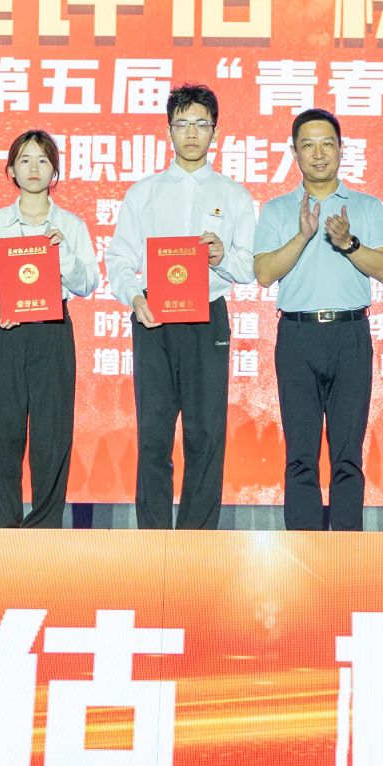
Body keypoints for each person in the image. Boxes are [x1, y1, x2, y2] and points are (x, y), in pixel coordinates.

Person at [103, 84, 258, 529]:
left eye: (201, 124)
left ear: (216, 131)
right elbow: (119, 259)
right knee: (153, 433)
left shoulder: (233, 195)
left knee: (205, 433)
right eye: (182, 124)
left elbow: (249, 267)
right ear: (168, 130)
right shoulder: (144, 193)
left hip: (208, 317)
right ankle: (154, 536)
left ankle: (198, 537)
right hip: (154, 318)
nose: (191, 133)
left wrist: (221, 256)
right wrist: (135, 297)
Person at [252, 108, 383, 530]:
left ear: (341, 149)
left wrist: (348, 243)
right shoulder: (277, 209)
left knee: (348, 454)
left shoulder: (366, 206)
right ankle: (304, 546)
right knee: (301, 454)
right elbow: (264, 273)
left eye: (327, 144)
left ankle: (346, 548)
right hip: (297, 336)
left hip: (351, 335)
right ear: (294, 152)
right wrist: (304, 235)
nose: (318, 154)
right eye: (308, 145)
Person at [0, 130, 99, 529]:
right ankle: (1, 525)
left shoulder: (71, 225)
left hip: (51, 331)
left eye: (43, 160)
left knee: (51, 434)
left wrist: (64, 253)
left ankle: (45, 526)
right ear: (11, 170)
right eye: (24, 160)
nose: (33, 168)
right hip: (5, 330)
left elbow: (87, 283)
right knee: (2, 431)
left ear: (55, 171)